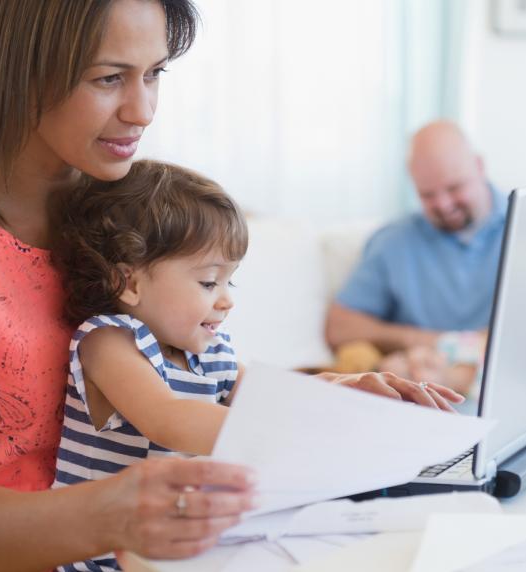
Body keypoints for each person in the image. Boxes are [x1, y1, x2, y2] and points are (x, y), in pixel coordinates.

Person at [0, 3, 462, 570]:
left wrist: (326, 398)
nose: (143, 110)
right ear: (20, 68)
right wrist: (116, 511)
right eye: (108, 79)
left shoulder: (116, 203)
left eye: (154, 74)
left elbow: (197, 380)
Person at [48, 159, 462, 571]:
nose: (227, 299)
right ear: (130, 283)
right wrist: (301, 429)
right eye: (209, 282)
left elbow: (272, 397)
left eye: (231, 281)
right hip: (105, 556)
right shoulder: (109, 340)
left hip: (182, 544)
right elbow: (169, 419)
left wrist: (345, 392)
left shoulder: (208, 351)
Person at [325, 120, 526, 393]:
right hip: (460, 390)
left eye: (454, 187)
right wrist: (428, 341)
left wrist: (524, 328)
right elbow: (340, 326)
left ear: (479, 167)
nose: (443, 204)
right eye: (428, 194)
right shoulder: (394, 242)